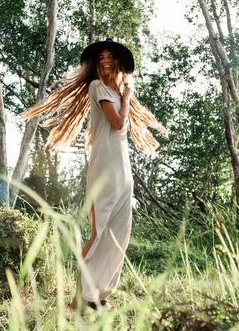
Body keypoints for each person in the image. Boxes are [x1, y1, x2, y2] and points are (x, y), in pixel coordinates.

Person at [22, 38, 166, 311]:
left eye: (110, 56)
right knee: (99, 232)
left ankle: (98, 294)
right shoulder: (97, 87)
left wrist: (124, 95)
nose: (105, 60)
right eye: (101, 57)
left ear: (119, 62)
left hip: (123, 167)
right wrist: (126, 97)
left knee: (119, 232)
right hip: (104, 166)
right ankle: (79, 298)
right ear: (96, 63)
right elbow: (119, 122)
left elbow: (122, 129)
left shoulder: (115, 91)